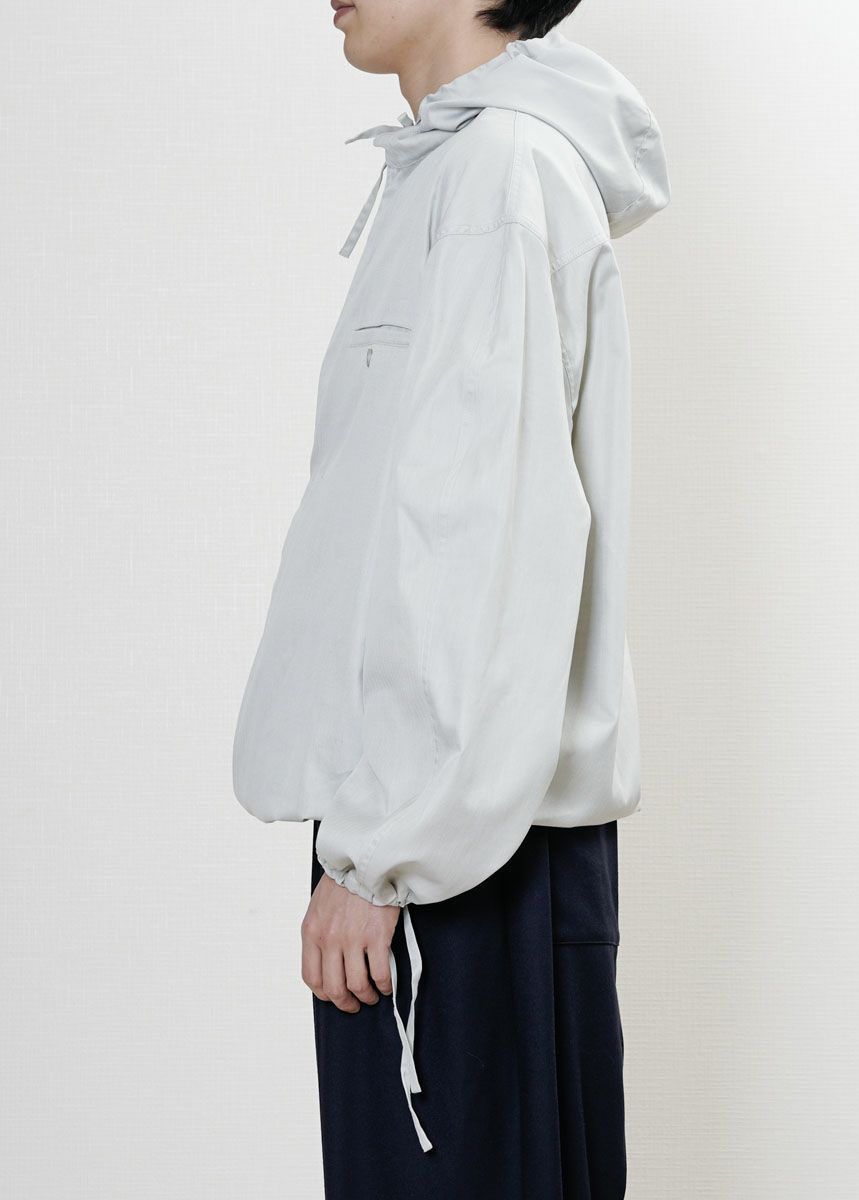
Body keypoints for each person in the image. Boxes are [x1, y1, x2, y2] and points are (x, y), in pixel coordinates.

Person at [232, 1, 670, 1195]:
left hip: (460, 852)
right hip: (445, 826)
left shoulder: (500, 178)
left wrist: (380, 858)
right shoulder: (458, 171)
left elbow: (483, 543)